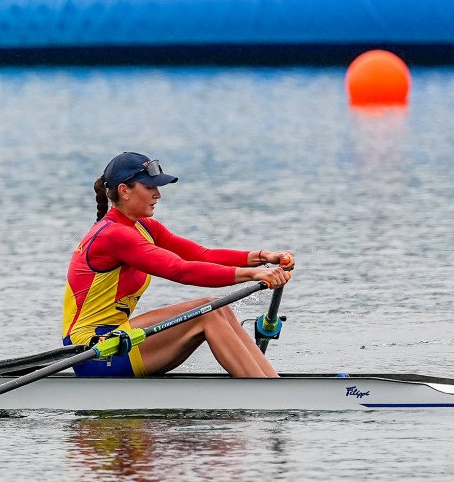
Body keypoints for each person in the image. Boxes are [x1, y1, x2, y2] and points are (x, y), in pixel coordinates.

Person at [63, 152, 293, 378]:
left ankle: (269, 383)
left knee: (217, 307)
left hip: (118, 341)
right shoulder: (113, 235)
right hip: (93, 351)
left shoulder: (145, 227)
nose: (158, 194)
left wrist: (264, 256)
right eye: (149, 187)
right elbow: (180, 270)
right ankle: (264, 393)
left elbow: (202, 255)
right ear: (124, 191)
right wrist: (254, 274)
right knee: (207, 313)